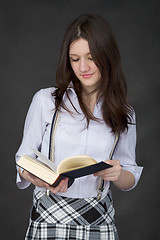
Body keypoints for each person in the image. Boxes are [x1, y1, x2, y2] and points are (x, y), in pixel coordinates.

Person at [15, 14, 143, 240]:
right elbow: (23, 158)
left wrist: (118, 173)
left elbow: (129, 175)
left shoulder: (124, 112)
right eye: (75, 59)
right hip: (49, 216)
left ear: (107, 56)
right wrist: (36, 177)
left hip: (99, 219)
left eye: (91, 57)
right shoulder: (46, 101)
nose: (83, 67)